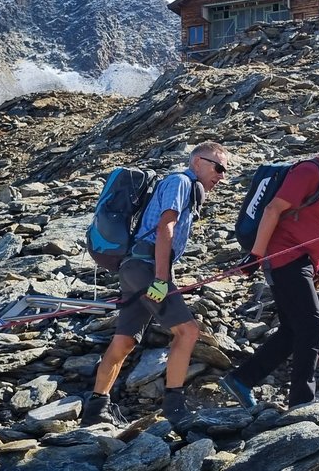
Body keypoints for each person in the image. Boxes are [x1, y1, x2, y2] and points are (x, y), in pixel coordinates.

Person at [219, 125, 319, 409]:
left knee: (293, 328)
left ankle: (242, 379)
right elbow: (273, 209)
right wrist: (255, 255)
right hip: (284, 259)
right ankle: (302, 401)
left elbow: (316, 227)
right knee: (312, 325)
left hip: (298, 262)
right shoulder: (309, 172)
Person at [80, 142, 230, 426]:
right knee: (187, 332)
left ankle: (96, 408)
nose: (221, 176)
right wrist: (162, 279)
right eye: (218, 167)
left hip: (134, 268)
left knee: (124, 341)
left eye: (224, 171)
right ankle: (174, 408)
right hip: (147, 269)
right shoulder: (181, 182)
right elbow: (166, 228)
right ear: (197, 162)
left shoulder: (188, 187)